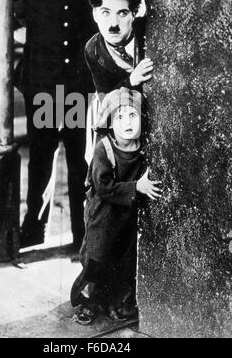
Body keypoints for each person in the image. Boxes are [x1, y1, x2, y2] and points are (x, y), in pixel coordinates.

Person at [12, 0, 104, 249]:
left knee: (80, 160)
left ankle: (82, 234)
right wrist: (16, 26)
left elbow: (127, 4)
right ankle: (34, 229)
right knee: (41, 157)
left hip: (79, 86)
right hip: (45, 86)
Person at [70, 87, 162, 325]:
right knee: (97, 257)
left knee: (121, 259)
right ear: (110, 123)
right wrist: (136, 188)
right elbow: (103, 186)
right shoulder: (105, 148)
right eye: (119, 117)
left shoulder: (141, 147)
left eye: (133, 116)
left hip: (125, 214)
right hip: (102, 214)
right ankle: (87, 302)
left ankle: (113, 301)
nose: (127, 122)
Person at [84, 0, 153, 95]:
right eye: (106, 13)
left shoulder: (148, 34)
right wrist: (131, 81)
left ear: (134, 14)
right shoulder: (93, 48)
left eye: (122, 13)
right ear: (95, 14)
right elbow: (105, 98)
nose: (114, 24)